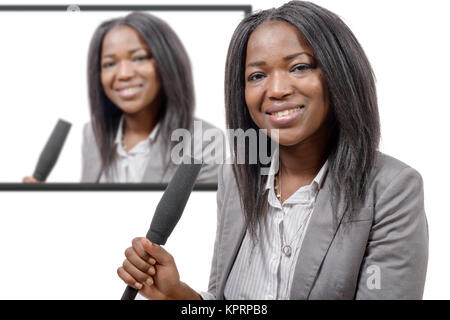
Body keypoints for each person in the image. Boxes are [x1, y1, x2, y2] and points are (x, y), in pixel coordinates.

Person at [117, 1, 428, 299]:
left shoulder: (392, 189)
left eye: (299, 67)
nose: (277, 89)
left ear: (340, 75)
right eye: (257, 75)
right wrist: (176, 295)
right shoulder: (235, 178)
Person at [24, 12, 223, 184]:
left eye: (139, 58)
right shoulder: (93, 133)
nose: (124, 74)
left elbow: (199, 217)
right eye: (110, 64)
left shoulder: (204, 140)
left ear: (168, 63)